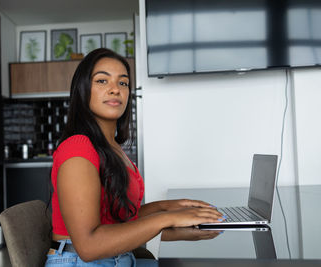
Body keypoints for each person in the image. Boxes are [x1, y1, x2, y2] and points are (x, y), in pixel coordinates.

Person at [45, 48, 224, 267]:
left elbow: (120, 221)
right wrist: (167, 218)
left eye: (123, 83)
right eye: (102, 81)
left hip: (119, 258)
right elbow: (89, 247)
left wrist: (171, 210)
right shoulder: (78, 149)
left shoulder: (111, 148)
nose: (115, 89)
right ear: (83, 90)